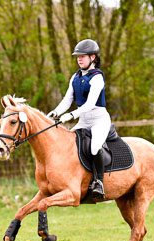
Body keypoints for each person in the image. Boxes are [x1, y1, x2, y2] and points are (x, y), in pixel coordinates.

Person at [47, 39, 111, 199]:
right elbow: (67, 100)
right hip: (83, 121)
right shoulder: (75, 77)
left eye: (83, 56)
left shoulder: (97, 78)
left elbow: (90, 104)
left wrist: (71, 115)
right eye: (78, 56)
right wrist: (55, 112)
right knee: (67, 146)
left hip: (98, 120)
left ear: (93, 57)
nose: (79, 59)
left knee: (95, 147)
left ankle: (99, 182)